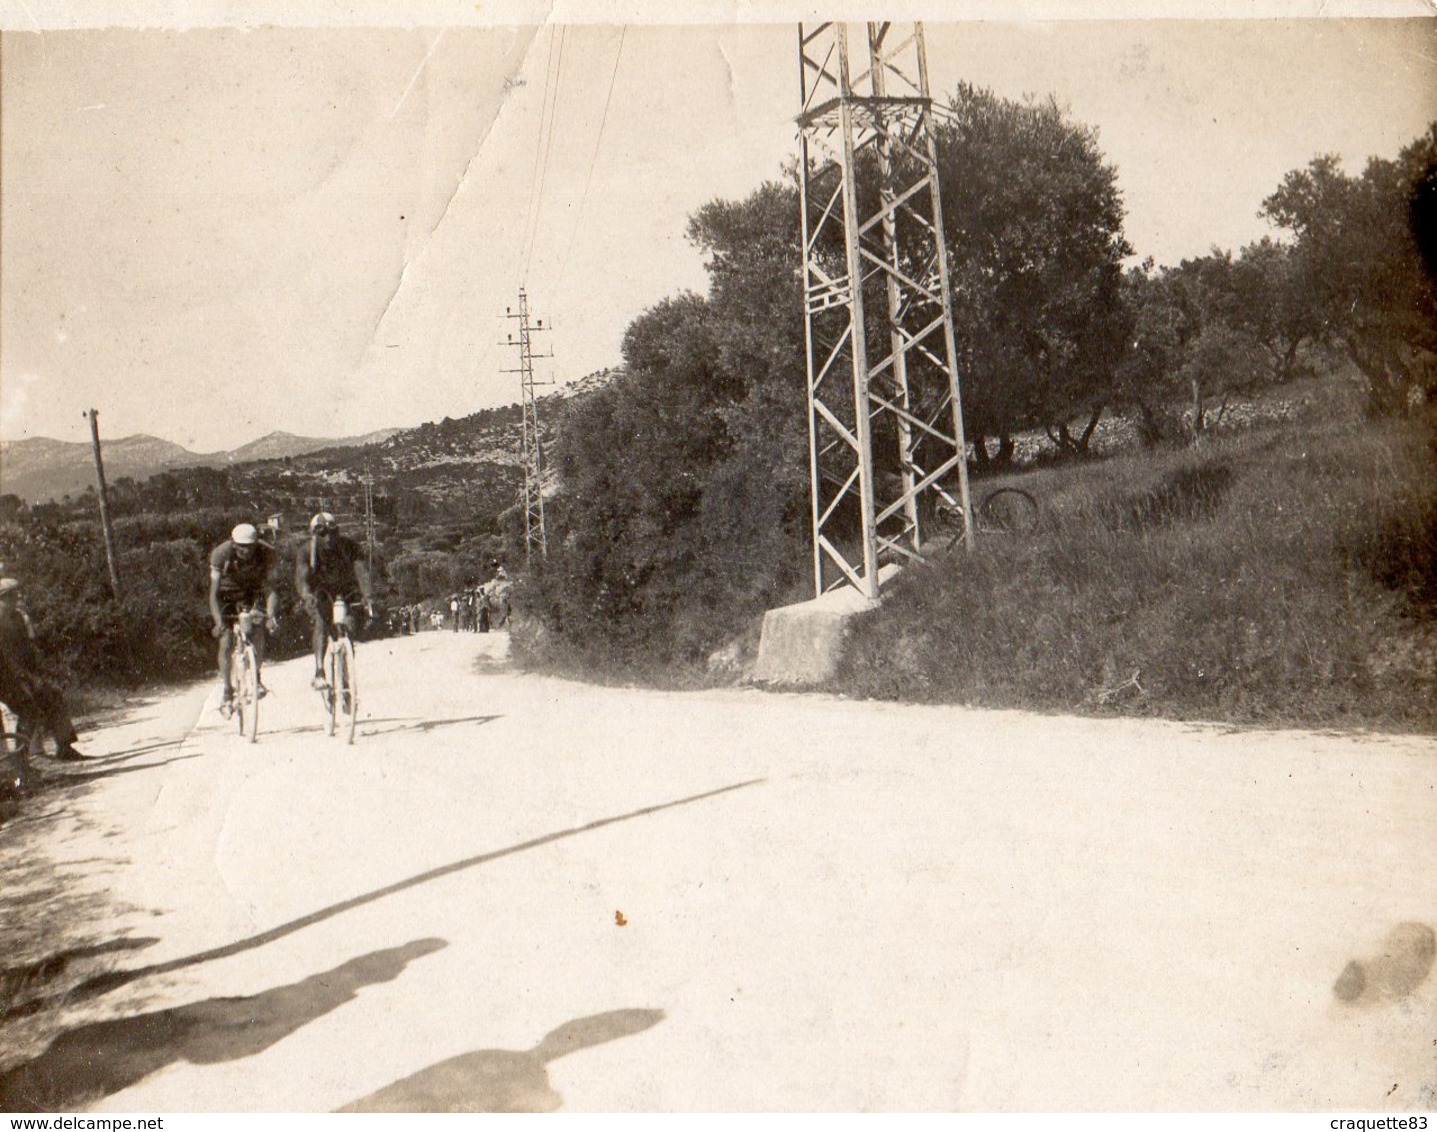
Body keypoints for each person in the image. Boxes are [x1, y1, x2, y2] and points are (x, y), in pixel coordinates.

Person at [0, 576, 83, 761]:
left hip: (24, 674)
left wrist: (38, 673)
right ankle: (20, 759)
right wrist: (24, 677)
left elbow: (28, 649)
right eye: (12, 594)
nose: (17, 597)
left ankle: (64, 747)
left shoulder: (18, 618)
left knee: (52, 695)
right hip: (8, 678)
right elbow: (5, 657)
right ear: (3, 597)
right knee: (28, 710)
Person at [296, 512, 374, 693]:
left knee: (349, 627)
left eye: (333, 532)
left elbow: (361, 572)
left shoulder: (350, 547)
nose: (328, 537)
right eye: (322, 534)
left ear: (338, 531)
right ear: (314, 535)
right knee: (322, 624)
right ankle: (319, 672)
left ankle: (345, 674)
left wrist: (368, 596)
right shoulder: (306, 551)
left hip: (346, 589)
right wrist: (307, 595)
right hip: (320, 591)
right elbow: (302, 578)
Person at [208, 522, 280, 714]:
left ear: (256, 544)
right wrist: (219, 622)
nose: (245, 552)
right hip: (226, 595)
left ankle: (256, 677)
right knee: (226, 642)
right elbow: (213, 595)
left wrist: (271, 615)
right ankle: (226, 690)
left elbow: (271, 590)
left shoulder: (267, 553)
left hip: (251, 593)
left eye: (250, 547)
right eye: (241, 547)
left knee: (257, 630)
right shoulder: (220, 554)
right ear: (233, 543)